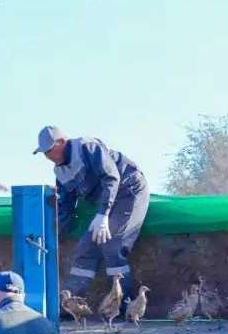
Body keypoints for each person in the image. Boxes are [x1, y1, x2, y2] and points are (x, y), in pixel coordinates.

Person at [33, 125, 149, 310]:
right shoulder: (60, 172)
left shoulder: (87, 147)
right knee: (84, 249)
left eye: (49, 151)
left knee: (113, 245)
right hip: (107, 201)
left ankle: (121, 305)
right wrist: (56, 235)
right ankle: (68, 304)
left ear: (61, 142)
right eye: (44, 153)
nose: (47, 156)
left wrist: (103, 215)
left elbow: (111, 178)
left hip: (128, 191)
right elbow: (66, 206)